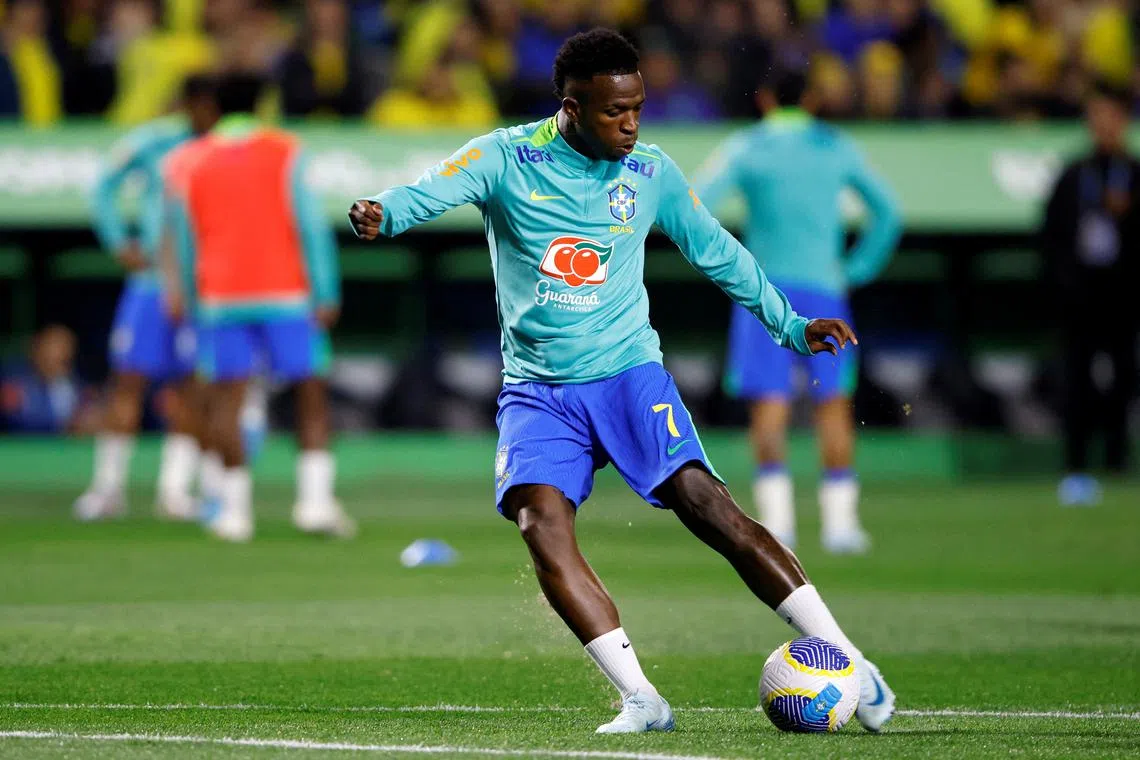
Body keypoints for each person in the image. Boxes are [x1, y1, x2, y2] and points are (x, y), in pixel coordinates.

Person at [349, 28, 895, 734]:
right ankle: (642, 697)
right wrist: (383, 213)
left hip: (629, 374)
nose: (632, 124)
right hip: (537, 389)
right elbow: (429, 191)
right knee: (540, 527)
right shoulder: (506, 157)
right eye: (615, 113)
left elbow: (719, 251)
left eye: (638, 107)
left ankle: (851, 661)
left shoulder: (651, 173)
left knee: (712, 510)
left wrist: (792, 325)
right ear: (571, 110)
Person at [694, 67, 902, 554]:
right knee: (832, 405)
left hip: (762, 291)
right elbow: (888, 212)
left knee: (769, 406)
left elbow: (696, 204)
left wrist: (730, 264)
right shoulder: (836, 147)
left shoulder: (747, 146)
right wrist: (856, 268)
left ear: (766, 99)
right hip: (825, 290)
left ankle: (778, 525)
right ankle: (841, 527)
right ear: (809, 100)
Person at [168, 73, 353, 543]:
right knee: (310, 393)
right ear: (262, 104)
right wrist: (326, 290)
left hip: (220, 297)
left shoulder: (188, 161)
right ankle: (313, 504)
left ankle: (234, 513)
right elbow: (310, 224)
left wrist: (193, 299)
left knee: (227, 398)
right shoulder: (286, 151)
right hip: (285, 294)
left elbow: (185, 241)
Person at [74, 74, 220, 523]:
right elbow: (103, 186)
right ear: (189, 104)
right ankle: (107, 489)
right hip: (153, 282)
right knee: (129, 380)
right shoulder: (156, 143)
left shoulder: (226, 149)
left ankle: (174, 494)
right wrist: (119, 240)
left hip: (207, 286)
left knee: (194, 386)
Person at [1042, 81, 1140, 506]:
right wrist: (1064, 284)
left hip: (1123, 291)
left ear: (1124, 121)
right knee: (1077, 378)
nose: (1103, 124)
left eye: (1110, 116)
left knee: (1123, 376)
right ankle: (1076, 464)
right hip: (1080, 292)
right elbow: (1051, 234)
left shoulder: (1134, 174)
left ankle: (1117, 462)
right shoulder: (1073, 174)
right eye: (1095, 116)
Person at [0, 325, 95, 434]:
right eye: (54, 347)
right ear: (36, 348)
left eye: (65, 349)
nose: (61, 354)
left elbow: (90, 414)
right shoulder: (13, 379)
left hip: (64, 449)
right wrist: (66, 425)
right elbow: (17, 419)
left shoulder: (77, 386)